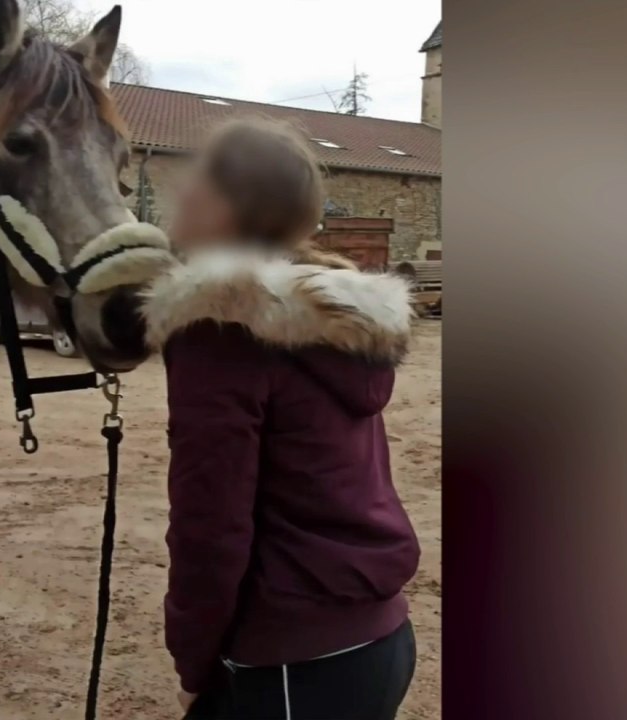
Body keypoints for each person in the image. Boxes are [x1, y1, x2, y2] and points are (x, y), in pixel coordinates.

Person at [136, 119, 421, 720]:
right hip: (379, 640)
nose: (181, 189)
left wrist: (194, 663)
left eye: (201, 177)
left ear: (229, 207)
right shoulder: (331, 318)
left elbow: (210, 524)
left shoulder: (221, 330)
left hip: (294, 662)